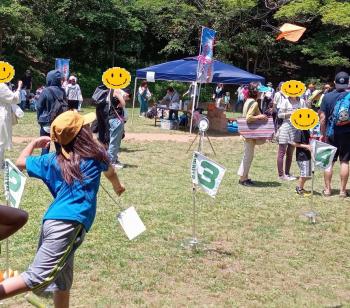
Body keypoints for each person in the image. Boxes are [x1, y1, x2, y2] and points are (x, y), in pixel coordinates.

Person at [0, 111, 125, 307]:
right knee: (37, 277)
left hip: (52, 222)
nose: (89, 128)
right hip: (69, 225)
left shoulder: (51, 160)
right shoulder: (96, 155)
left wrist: (33, 144)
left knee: (62, 281)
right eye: (85, 127)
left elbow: (20, 162)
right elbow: (110, 171)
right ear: (82, 134)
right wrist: (117, 186)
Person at [320, 71, 350, 197]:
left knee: (329, 162)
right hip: (347, 133)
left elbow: (322, 118)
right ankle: (343, 191)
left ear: (334, 82)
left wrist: (323, 133)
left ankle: (327, 190)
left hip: (331, 133)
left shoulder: (327, 97)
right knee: (344, 162)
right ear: (348, 82)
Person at [237, 83, 268, 186]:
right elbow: (249, 118)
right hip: (249, 134)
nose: (261, 92)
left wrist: (260, 115)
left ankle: (244, 176)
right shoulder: (254, 103)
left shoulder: (248, 101)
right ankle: (243, 179)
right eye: (259, 91)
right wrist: (260, 117)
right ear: (256, 92)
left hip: (246, 133)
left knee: (248, 155)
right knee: (248, 156)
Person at [36, 70, 66, 155]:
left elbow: (39, 106)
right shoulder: (63, 91)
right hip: (59, 122)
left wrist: (39, 118)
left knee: (45, 146)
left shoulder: (46, 90)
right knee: (59, 147)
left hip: (47, 122)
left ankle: (44, 165)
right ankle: (61, 165)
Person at [276, 95, 300, 180]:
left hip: (296, 127)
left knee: (290, 152)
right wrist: (290, 113)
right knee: (281, 152)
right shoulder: (285, 101)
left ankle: (287, 173)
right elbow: (279, 115)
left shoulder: (302, 101)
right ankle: (281, 175)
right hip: (286, 127)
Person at [0, 81, 22, 170]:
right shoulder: (1, 86)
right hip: (1, 115)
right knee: (1, 142)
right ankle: (0, 164)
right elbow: (14, 99)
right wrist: (19, 88)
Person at [108, 89, 126, 169]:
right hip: (116, 119)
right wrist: (122, 97)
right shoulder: (116, 91)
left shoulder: (113, 91)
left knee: (116, 142)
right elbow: (124, 103)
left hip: (116, 119)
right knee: (114, 142)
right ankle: (111, 162)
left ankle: (114, 160)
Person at [294, 129, 312, 195]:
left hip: (307, 155)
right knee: (304, 174)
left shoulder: (307, 129)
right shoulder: (299, 130)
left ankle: (300, 187)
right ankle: (299, 189)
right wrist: (306, 146)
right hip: (302, 156)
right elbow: (295, 144)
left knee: (307, 174)